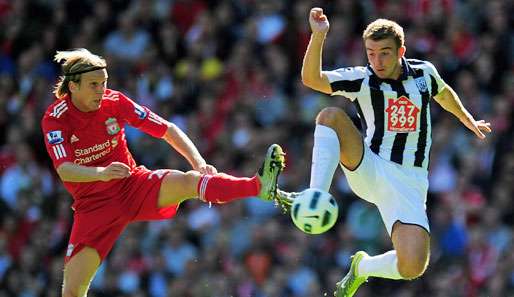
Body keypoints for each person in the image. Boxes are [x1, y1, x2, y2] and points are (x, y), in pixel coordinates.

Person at [278, 8, 492, 297]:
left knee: (413, 265)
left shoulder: (424, 74)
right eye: (371, 53)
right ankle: (316, 195)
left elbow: (443, 93)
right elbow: (311, 79)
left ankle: (361, 268)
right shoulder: (363, 79)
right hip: (372, 166)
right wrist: (319, 36)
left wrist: (468, 119)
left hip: (409, 183)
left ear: (401, 50)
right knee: (330, 116)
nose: (376, 61)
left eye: (385, 53)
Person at [41, 48, 287, 297]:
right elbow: (65, 170)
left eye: (103, 83)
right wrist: (102, 172)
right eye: (93, 85)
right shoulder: (56, 119)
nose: (101, 90)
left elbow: (167, 129)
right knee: (72, 292)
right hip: (94, 206)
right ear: (73, 86)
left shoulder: (114, 102)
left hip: (131, 185)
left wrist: (198, 161)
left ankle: (258, 186)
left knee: (191, 181)